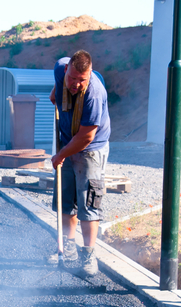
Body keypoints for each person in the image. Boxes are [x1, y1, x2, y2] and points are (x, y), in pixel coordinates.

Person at [48, 50, 111, 276]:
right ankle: (68, 247)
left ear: (90, 74)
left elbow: (85, 138)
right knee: (66, 200)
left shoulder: (94, 95)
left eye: (81, 80)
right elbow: (56, 91)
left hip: (90, 150)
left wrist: (61, 155)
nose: (75, 84)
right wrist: (56, 91)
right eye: (72, 78)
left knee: (88, 203)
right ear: (66, 70)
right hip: (67, 141)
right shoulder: (60, 68)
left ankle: (88, 255)